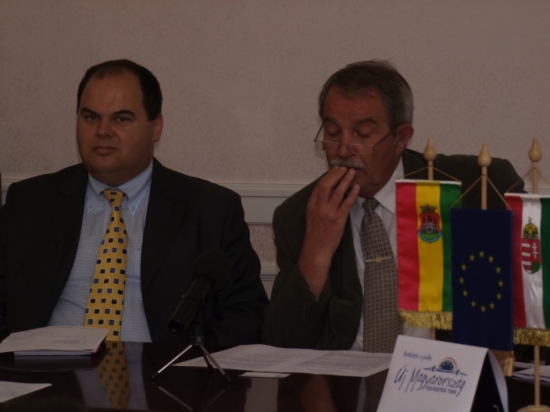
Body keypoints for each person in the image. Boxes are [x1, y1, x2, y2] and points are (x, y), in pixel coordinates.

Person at [0, 59, 268, 345]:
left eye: (121, 119)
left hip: (161, 370)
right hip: (47, 367)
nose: (103, 130)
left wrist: (188, 369)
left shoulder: (211, 210)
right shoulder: (28, 203)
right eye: (90, 117)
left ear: (156, 127)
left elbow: (245, 315)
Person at [263, 60, 524, 351]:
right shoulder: (299, 215)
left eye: (363, 134)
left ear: (401, 137)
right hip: (345, 376)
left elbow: (525, 302)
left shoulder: (474, 189)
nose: (343, 149)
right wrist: (316, 251)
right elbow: (282, 344)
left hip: (445, 369)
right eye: (333, 132)